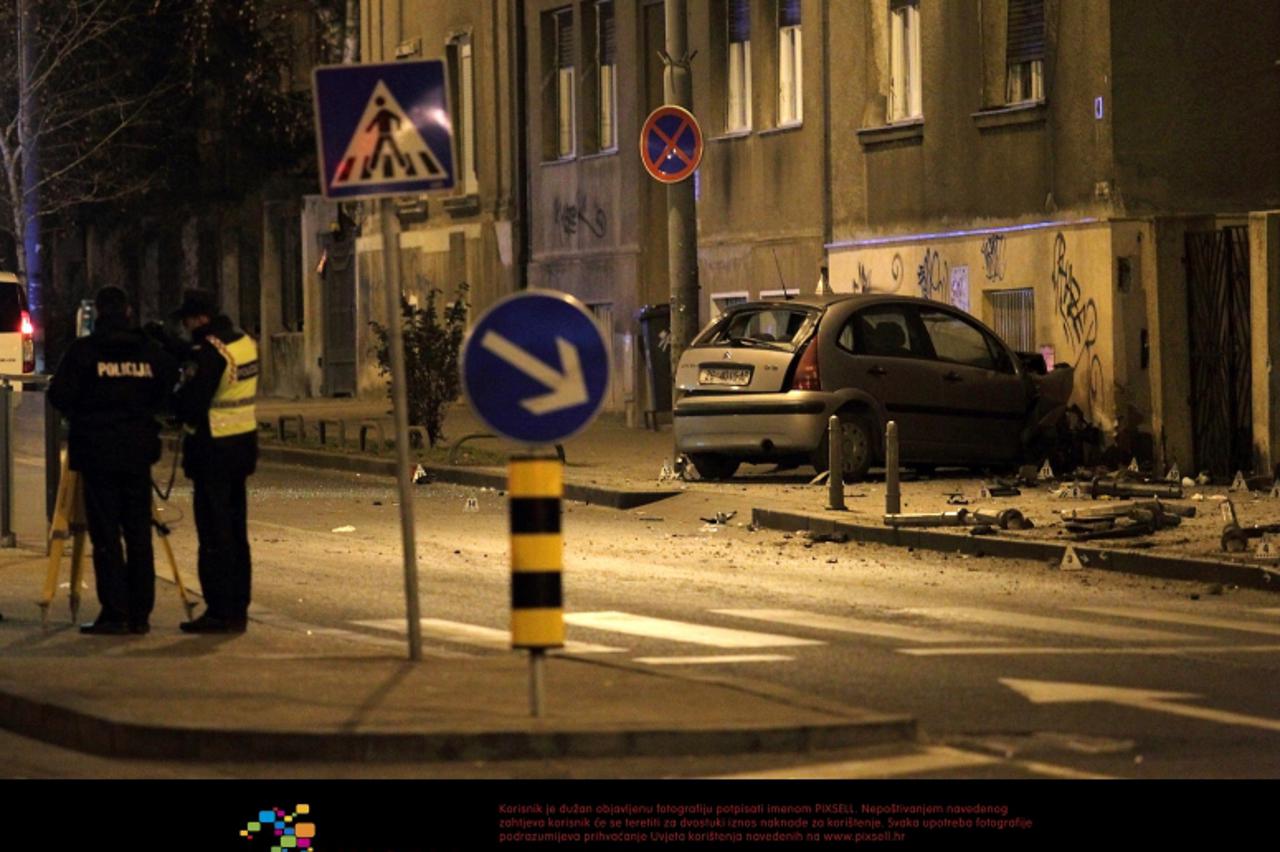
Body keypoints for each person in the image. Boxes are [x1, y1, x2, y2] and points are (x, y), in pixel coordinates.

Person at [48, 285, 178, 635]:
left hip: (97, 454)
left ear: (98, 314)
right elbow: (170, 381)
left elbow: (58, 394)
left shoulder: (84, 352)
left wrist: (84, 413)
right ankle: (140, 613)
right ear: (128, 312)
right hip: (137, 454)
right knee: (138, 533)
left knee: (105, 535)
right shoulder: (148, 352)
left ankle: (115, 611)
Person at [172, 289, 259, 634]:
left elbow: (191, 401)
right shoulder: (243, 343)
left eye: (187, 321)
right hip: (241, 450)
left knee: (214, 536)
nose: (186, 327)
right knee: (237, 533)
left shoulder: (211, 353)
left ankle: (218, 610)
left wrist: (172, 402)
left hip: (213, 453)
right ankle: (238, 607)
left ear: (199, 319)